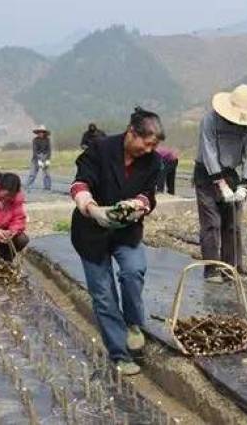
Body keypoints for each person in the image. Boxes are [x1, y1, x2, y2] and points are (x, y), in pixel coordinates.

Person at [70, 107, 164, 375]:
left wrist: (137, 205)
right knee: (104, 295)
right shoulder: (100, 149)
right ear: (132, 133)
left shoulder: (153, 161)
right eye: (146, 144)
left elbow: (149, 194)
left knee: (133, 270)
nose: (148, 150)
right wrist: (91, 208)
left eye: (153, 146)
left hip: (126, 230)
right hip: (91, 232)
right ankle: (120, 354)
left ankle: (134, 324)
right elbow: (79, 184)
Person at [193, 84, 247, 283]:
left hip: (231, 173)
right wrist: (220, 184)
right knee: (212, 224)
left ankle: (232, 269)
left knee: (233, 224)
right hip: (207, 174)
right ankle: (212, 270)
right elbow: (208, 151)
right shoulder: (210, 120)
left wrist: (245, 184)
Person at [27, 125, 52, 190]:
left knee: (46, 173)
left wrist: (47, 160)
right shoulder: (35, 140)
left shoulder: (47, 140)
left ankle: (47, 187)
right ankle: (28, 186)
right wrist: (39, 160)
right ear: (37, 133)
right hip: (36, 157)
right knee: (32, 173)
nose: (40, 133)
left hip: (45, 156)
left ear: (44, 133)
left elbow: (49, 150)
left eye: (42, 132)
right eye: (39, 132)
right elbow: (35, 151)